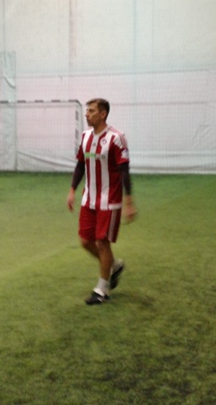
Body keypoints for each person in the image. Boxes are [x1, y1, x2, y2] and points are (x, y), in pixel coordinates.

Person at [67, 98, 136, 305]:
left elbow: (124, 170)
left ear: (103, 114)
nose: (87, 114)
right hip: (89, 199)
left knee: (102, 243)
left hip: (109, 201)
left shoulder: (117, 138)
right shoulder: (86, 136)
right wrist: (72, 190)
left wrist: (129, 201)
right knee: (85, 241)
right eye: (87, 110)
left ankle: (102, 290)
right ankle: (114, 266)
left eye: (91, 111)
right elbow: (81, 165)